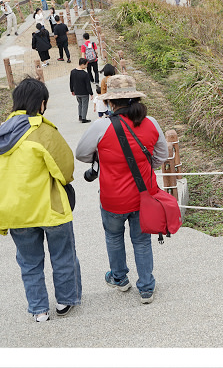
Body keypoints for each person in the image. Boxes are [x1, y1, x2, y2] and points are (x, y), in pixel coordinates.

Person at [0, 77, 81, 322]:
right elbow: (65, 169)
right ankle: (65, 300)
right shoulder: (42, 130)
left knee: (29, 262)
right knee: (63, 255)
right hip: (50, 208)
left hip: (17, 212)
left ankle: (39, 309)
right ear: (41, 103)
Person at [75, 75, 168, 304]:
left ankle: (120, 278)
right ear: (135, 98)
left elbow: (81, 153)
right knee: (142, 241)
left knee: (114, 238)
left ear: (111, 102)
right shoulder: (151, 123)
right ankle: (146, 288)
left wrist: (103, 159)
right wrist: (145, 166)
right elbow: (161, 156)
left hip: (113, 198)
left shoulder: (100, 126)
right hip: (143, 196)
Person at [70, 58, 93, 123]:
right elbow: (88, 85)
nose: (86, 66)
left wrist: (72, 90)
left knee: (80, 104)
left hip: (77, 92)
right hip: (84, 92)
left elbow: (71, 82)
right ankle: (84, 118)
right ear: (83, 64)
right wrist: (91, 93)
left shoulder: (73, 72)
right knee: (84, 105)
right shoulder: (85, 74)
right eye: (86, 65)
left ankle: (80, 116)